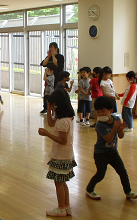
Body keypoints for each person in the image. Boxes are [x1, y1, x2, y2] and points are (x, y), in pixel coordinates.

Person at [85, 96, 137, 200]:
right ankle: (89, 189)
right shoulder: (99, 125)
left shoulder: (116, 119)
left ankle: (128, 192)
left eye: (103, 111)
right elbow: (109, 140)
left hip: (113, 152)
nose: (100, 114)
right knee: (100, 174)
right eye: (98, 112)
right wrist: (115, 128)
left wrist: (120, 129)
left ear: (110, 110)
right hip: (100, 154)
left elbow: (121, 136)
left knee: (123, 172)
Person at [38, 89, 77, 217]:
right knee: (62, 182)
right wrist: (48, 110)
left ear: (57, 105)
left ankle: (60, 209)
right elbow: (50, 123)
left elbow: (63, 140)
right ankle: (67, 207)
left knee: (58, 183)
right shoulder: (66, 118)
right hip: (66, 155)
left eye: (52, 105)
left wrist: (47, 134)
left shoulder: (62, 121)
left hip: (60, 156)